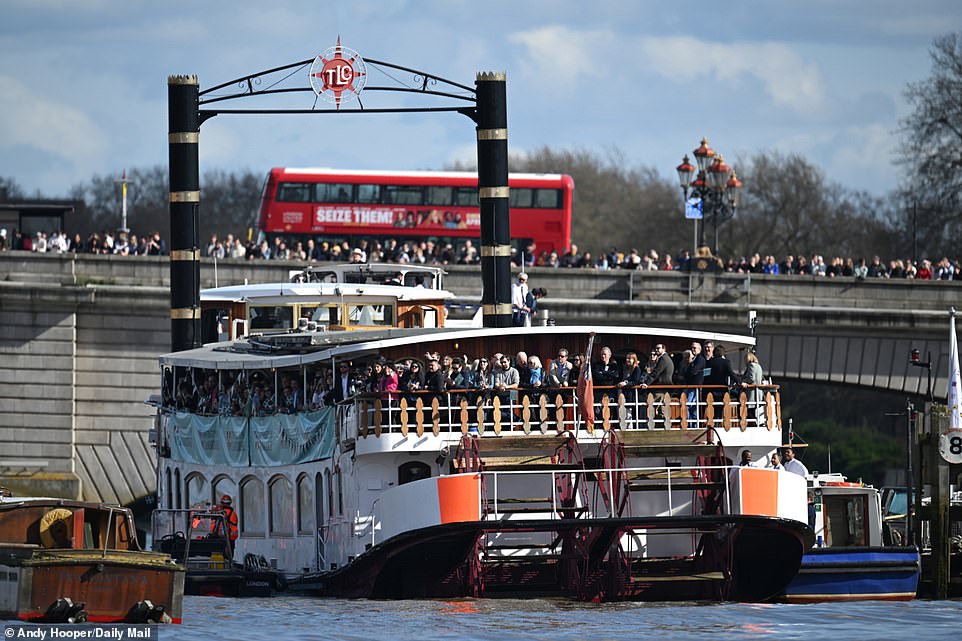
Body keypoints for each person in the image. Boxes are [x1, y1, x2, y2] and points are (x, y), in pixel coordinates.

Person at [741, 351, 766, 426]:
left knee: (750, 411)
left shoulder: (751, 365)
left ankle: (753, 425)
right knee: (755, 410)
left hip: (752, 392)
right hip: (758, 392)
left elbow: (751, 378)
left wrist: (742, 381)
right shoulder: (758, 366)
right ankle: (756, 424)